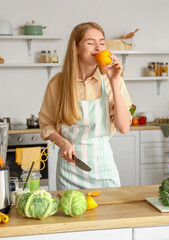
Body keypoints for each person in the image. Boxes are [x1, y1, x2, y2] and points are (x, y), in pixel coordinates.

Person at [38, 22, 132, 190]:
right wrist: (63, 143)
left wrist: (114, 81)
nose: (98, 48)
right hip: (69, 171)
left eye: (102, 43)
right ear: (76, 48)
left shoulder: (112, 81)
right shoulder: (58, 84)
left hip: (104, 171)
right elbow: (46, 124)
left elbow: (124, 127)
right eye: (90, 42)